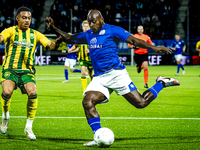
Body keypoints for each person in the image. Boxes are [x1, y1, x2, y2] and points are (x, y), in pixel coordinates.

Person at [45, 9, 180, 147]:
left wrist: (154, 48)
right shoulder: (88, 35)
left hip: (117, 74)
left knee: (141, 103)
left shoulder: (113, 30)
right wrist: (54, 28)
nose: (92, 25)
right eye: (89, 22)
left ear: (101, 20)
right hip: (99, 78)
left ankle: (161, 83)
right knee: (87, 101)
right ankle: (98, 135)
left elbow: (134, 40)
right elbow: (70, 38)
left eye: (94, 22)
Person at [0, 7, 61, 141]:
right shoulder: (10, 31)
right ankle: (5, 116)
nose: (27, 20)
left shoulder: (35, 34)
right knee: (7, 92)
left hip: (27, 70)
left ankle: (28, 127)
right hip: (10, 69)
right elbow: (1, 37)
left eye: (29, 18)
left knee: (33, 92)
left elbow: (49, 45)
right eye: (24, 18)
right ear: (17, 18)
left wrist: (56, 43)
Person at [72, 20, 93, 92]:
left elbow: (97, 47)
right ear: (82, 27)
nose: (86, 27)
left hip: (91, 59)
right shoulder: (79, 36)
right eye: (84, 26)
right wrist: (71, 49)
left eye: (87, 26)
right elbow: (76, 45)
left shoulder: (93, 36)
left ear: (90, 27)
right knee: (83, 72)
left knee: (92, 75)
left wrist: (90, 50)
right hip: (82, 59)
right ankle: (85, 90)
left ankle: (92, 88)